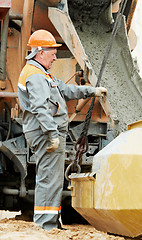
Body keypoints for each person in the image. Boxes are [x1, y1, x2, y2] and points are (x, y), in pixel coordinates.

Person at [18, 29, 107, 230]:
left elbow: (65, 90)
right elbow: (40, 107)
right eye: (53, 52)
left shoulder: (41, 73)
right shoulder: (35, 75)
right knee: (49, 178)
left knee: (52, 178)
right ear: (40, 52)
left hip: (44, 132)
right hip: (44, 133)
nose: (56, 57)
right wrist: (51, 134)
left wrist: (91, 91)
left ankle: (51, 223)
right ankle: (45, 225)